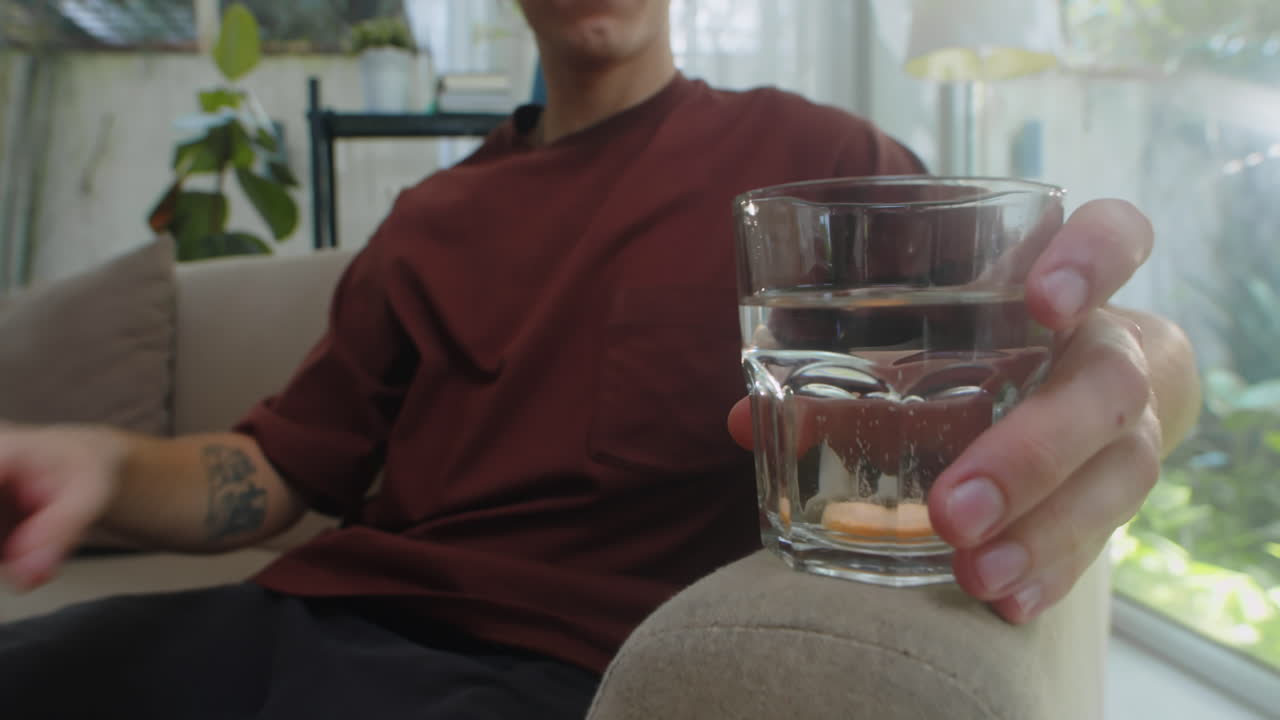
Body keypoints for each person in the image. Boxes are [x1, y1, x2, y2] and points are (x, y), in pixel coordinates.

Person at [0, 1, 1198, 717]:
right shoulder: (429, 217)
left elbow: (1016, 348)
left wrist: (1146, 368)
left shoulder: (810, 164)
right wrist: (100, 464)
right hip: (300, 621)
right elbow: (269, 471)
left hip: (560, 675)